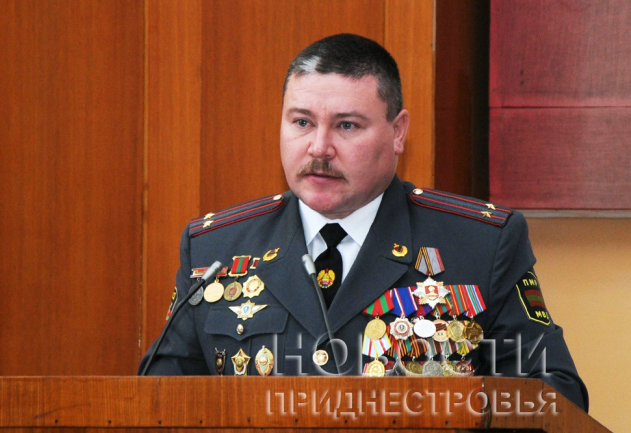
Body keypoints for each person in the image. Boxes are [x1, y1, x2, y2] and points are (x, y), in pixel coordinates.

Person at [139, 33, 588, 411]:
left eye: (347, 126)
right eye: (302, 122)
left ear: (398, 132)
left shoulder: (479, 244)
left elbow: (555, 398)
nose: (319, 148)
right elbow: (156, 404)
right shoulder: (216, 248)